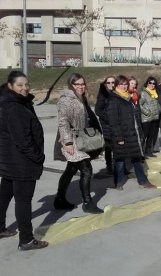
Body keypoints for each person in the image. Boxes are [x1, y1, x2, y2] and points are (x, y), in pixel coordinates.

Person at [0, 71, 49, 251]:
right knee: (23, 201)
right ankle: (27, 240)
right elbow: (23, 140)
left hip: (9, 160)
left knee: (4, 195)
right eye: (20, 85)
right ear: (10, 86)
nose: (25, 88)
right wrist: (38, 157)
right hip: (21, 162)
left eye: (26, 84)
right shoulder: (14, 107)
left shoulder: (13, 102)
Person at [53, 73, 104, 214]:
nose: (81, 86)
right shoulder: (66, 100)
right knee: (87, 169)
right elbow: (63, 122)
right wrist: (68, 142)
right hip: (72, 139)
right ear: (71, 85)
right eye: (77, 84)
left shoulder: (81, 98)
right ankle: (87, 203)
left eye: (83, 84)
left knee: (71, 170)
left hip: (81, 139)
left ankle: (59, 199)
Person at [107, 75, 156, 190]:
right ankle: (118, 182)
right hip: (122, 135)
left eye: (125, 84)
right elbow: (113, 120)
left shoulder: (128, 97)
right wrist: (119, 137)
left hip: (133, 134)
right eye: (121, 84)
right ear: (116, 86)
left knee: (137, 158)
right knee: (119, 159)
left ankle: (143, 181)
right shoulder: (113, 98)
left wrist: (140, 131)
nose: (123, 86)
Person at [95, 75, 116, 174]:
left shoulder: (117, 93)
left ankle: (119, 166)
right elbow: (97, 110)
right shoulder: (103, 94)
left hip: (116, 124)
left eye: (113, 82)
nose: (111, 84)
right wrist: (108, 117)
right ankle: (109, 166)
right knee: (109, 147)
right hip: (107, 125)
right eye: (109, 82)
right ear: (105, 84)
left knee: (118, 146)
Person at [139, 76, 161, 157]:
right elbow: (140, 105)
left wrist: (159, 110)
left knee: (151, 136)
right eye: (150, 83)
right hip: (146, 118)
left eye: (154, 83)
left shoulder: (155, 92)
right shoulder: (143, 93)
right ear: (147, 83)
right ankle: (140, 154)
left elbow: (156, 104)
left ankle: (148, 152)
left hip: (154, 118)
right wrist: (147, 112)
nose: (152, 85)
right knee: (144, 136)